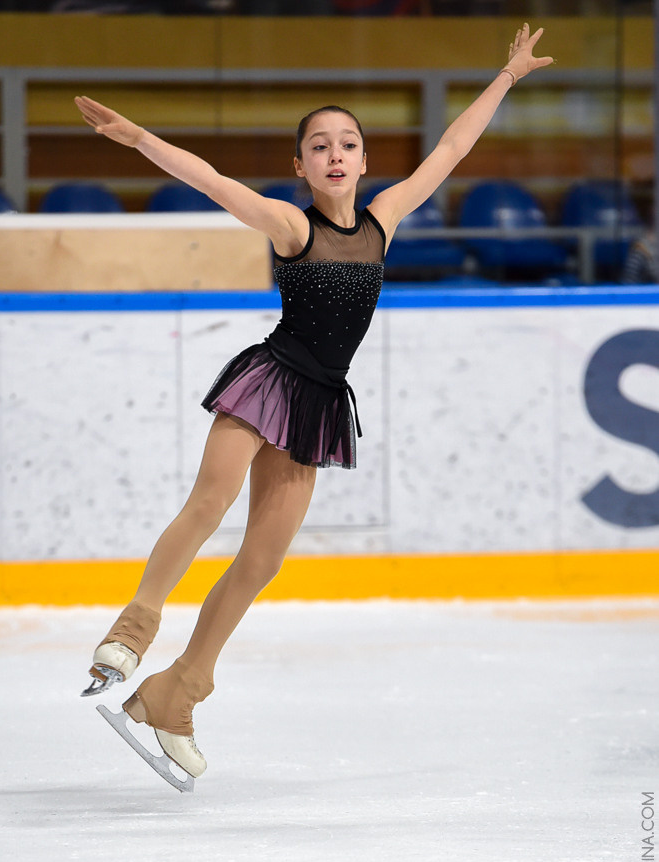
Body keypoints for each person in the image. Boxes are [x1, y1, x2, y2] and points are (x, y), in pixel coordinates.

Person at [76, 23, 553, 786]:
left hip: (319, 404)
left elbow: (453, 150)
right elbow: (211, 182)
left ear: (364, 160)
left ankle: (178, 693)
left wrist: (507, 77)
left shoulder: (384, 220)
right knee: (210, 503)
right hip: (267, 382)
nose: (336, 154)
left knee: (262, 559)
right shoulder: (291, 225)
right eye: (321, 145)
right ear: (300, 165)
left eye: (349, 143)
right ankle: (133, 630)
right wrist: (139, 140)